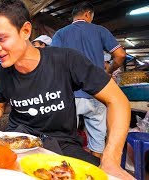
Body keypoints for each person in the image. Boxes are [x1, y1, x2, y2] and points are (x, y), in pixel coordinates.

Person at [0, 0, 133, 179]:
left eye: (2, 38)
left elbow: (118, 100)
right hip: (16, 144)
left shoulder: (66, 60)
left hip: (62, 147)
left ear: (25, 31)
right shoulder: (1, 72)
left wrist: (111, 160)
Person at [51, 2, 126, 158]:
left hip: (69, 95)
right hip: (96, 93)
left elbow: (52, 62)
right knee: (97, 141)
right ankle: (95, 169)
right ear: (87, 14)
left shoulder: (60, 34)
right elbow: (120, 55)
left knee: (65, 141)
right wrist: (108, 71)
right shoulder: (100, 31)